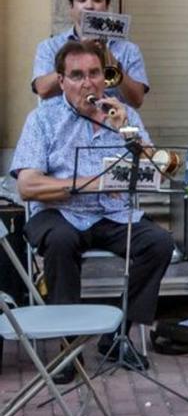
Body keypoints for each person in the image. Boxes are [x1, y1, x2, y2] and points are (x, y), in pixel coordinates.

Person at [11, 40, 174, 381]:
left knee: (159, 243)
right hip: (58, 213)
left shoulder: (124, 116)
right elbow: (27, 186)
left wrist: (128, 131)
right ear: (61, 80)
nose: (88, 83)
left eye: (95, 74)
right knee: (61, 242)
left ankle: (115, 335)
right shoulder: (42, 119)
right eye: (77, 75)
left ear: (106, 77)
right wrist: (90, 183)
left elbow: (156, 169)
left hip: (112, 213)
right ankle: (68, 348)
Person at [32, 0, 150, 107]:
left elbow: (137, 100)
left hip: (113, 123)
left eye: (97, 0)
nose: (89, 6)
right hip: (62, 126)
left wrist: (113, 63)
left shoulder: (128, 49)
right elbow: (43, 90)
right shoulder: (49, 46)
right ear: (71, 7)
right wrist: (80, 48)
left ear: (106, 7)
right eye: (82, 0)